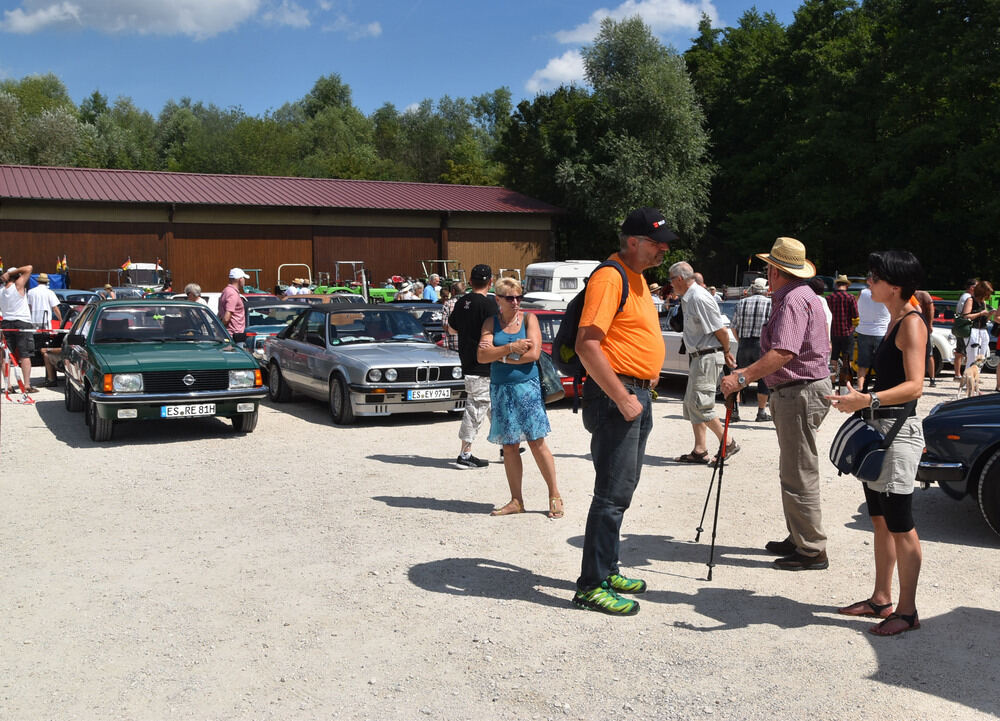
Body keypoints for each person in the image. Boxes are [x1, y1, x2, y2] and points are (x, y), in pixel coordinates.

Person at [572, 207, 672, 616]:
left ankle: (608, 569)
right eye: (657, 242)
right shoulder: (610, 277)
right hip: (620, 397)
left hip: (636, 394)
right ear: (632, 241)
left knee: (621, 492)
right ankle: (591, 586)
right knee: (610, 496)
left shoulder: (638, 278)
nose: (664, 250)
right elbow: (587, 344)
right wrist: (622, 396)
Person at [827, 250, 926, 636]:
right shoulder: (894, 319)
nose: (868, 281)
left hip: (898, 434)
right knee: (880, 520)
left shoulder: (911, 324)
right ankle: (881, 598)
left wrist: (866, 400)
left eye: (874, 276)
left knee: (901, 524)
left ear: (895, 285)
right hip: (881, 430)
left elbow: (915, 386)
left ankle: (908, 610)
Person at [720, 237, 832, 571]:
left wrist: (741, 378)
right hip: (800, 390)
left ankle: (811, 548)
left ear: (775, 271)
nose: (767, 272)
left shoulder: (793, 300)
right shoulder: (802, 295)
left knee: (799, 471)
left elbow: (784, 352)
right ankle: (800, 536)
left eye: (770, 266)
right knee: (794, 468)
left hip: (799, 391)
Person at [477, 277, 562, 518]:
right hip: (501, 388)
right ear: (498, 300)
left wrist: (499, 355)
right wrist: (511, 349)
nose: (515, 302)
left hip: (528, 388)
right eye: (510, 298)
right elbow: (482, 357)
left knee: (537, 441)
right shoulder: (490, 322)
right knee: (510, 445)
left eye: (518, 297)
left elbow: (534, 354)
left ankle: (554, 494)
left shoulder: (528, 319)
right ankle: (517, 500)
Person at [670, 261, 738, 463]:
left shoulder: (698, 298)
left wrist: (726, 352)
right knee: (693, 404)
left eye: (671, 280)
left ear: (680, 279)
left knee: (701, 404)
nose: (670, 284)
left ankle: (729, 442)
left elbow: (721, 330)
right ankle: (700, 450)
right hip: (699, 357)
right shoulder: (689, 297)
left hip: (707, 356)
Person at [446, 266, 498, 469]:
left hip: (467, 360)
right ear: (490, 282)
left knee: (492, 404)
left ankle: (507, 444)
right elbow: (498, 332)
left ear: (470, 280)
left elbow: (451, 328)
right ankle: (465, 454)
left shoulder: (462, 302)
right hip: (482, 363)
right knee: (476, 407)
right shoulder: (489, 305)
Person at [731, 276, 772, 422]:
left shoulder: (741, 303)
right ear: (766, 291)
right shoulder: (770, 304)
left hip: (744, 343)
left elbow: (733, 327)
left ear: (753, 289)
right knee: (763, 378)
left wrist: (741, 340)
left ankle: (734, 411)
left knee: (739, 376)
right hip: (761, 345)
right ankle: (761, 412)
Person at [1, 264, 37, 392]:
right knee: (25, 354)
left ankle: (8, 385)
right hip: (22, 323)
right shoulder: (18, 286)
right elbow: (29, 268)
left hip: (6, 323)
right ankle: (26, 385)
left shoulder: (2, 290)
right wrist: (11, 274)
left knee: (6, 356)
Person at [826, 274, 859, 386]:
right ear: (846, 285)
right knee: (847, 358)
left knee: (834, 357)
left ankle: (832, 380)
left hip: (834, 333)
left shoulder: (829, 298)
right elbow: (855, 315)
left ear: (837, 285)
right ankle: (846, 381)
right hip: (847, 331)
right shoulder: (850, 298)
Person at [856, 286, 890, 390]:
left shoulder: (862, 293)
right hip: (881, 331)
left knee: (862, 363)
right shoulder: (886, 292)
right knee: (882, 362)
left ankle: (860, 387)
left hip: (863, 330)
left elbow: (856, 307)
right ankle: (882, 386)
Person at [961, 280, 994, 376]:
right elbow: (966, 316)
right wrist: (980, 313)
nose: (988, 294)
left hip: (983, 330)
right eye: (987, 291)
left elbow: (985, 319)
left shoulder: (983, 302)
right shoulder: (970, 300)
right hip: (972, 330)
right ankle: (968, 380)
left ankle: (975, 382)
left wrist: (989, 315)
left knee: (981, 358)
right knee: (972, 357)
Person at [952, 278, 976, 378]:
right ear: (971, 288)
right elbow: (965, 314)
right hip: (964, 326)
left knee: (962, 351)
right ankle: (959, 374)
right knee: (961, 351)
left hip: (960, 326)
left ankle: (960, 373)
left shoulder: (964, 296)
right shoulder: (968, 297)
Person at [912, 289, 936, 387]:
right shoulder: (907, 295)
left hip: (924, 326)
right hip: (914, 326)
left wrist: (930, 324)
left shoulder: (923, 295)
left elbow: (931, 309)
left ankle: (932, 378)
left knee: (929, 353)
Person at [219, 268, 249, 338]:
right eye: (244, 278)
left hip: (230, 333)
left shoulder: (226, 291)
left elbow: (220, 313)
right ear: (240, 279)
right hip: (234, 334)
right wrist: (221, 329)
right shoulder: (232, 293)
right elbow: (227, 317)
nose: (244, 281)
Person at [441, 281, 466, 351]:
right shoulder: (470, 302)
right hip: (469, 344)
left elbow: (445, 325)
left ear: (453, 291)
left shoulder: (448, 304)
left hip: (454, 344)